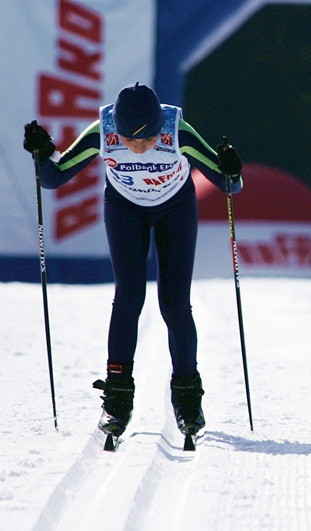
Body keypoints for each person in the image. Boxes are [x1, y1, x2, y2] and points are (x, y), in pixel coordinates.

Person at [23, 82, 244, 441]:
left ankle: (188, 399)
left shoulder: (177, 131)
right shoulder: (103, 131)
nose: (140, 148)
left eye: (148, 139)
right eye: (131, 140)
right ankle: (117, 398)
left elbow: (229, 185)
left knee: (174, 304)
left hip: (175, 209)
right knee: (128, 298)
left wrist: (233, 168)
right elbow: (54, 177)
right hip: (126, 209)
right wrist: (42, 152)